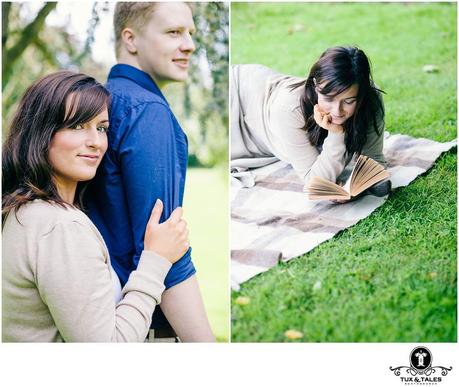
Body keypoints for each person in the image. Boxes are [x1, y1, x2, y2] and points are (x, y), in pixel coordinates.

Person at [2, 71, 190, 342]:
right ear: (41, 133)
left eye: (101, 128)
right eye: (77, 126)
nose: (96, 142)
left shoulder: (23, 213)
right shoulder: (59, 227)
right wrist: (155, 260)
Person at [86, 2, 215, 341]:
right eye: (173, 32)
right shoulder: (147, 111)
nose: (189, 44)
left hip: (101, 311)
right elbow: (163, 248)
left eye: (190, 33)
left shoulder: (101, 104)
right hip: (141, 322)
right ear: (131, 39)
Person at [231, 46, 391, 196]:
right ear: (315, 85)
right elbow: (315, 184)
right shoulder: (290, 109)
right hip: (237, 102)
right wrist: (336, 135)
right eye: (328, 99)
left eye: (349, 101)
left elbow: (373, 161)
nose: (337, 111)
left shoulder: (370, 100)